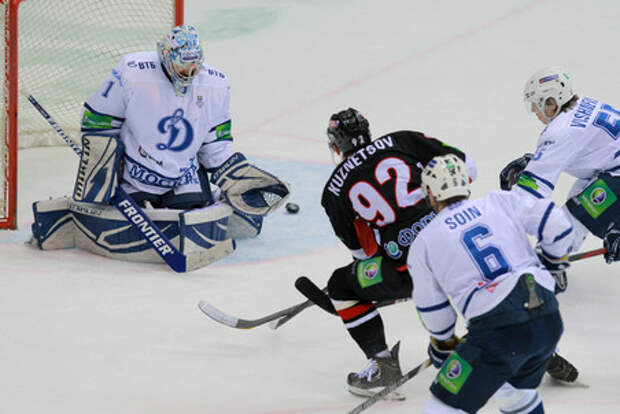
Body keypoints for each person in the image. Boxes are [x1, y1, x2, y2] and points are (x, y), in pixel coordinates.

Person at [320, 108, 477, 398]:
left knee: (341, 285)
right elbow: (468, 168)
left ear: (336, 145)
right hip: (460, 246)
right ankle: (522, 339)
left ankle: (383, 365)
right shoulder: (403, 140)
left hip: (405, 271)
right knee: (489, 285)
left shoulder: (333, 190)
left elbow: (361, 254)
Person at [78, 25, 278, 238]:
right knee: (134, 226)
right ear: (166, 56)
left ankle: (214, 197)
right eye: (183, 68)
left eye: (194, 68)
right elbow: (99, 120)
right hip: (135, 175)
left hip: (185, 175)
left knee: (194, 221)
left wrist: (235, 177)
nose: (189, 74)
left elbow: (215, 141)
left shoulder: (216, 84)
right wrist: (102, 164)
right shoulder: (132, 71)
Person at [409, 154, 572, 413]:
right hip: (548, 320)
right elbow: (558, 224)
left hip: (499, 331)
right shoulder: (499, 201)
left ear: (430, 193)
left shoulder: (424, 242)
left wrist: (443, 344)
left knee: (443, 406)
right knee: (515, 394)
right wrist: (553, 264)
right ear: (466, 183)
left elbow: (433, 309)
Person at [499, 67, 620, 381]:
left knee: (564, 228)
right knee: (572, 215)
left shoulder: (561, 131)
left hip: (614, 180)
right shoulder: (584, 106)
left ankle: (536, 298)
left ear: (552, 102)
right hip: (608, 172)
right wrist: (535, 160)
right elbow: (586, 149)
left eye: (537, 105)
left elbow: (529, 198)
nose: (535, 112)